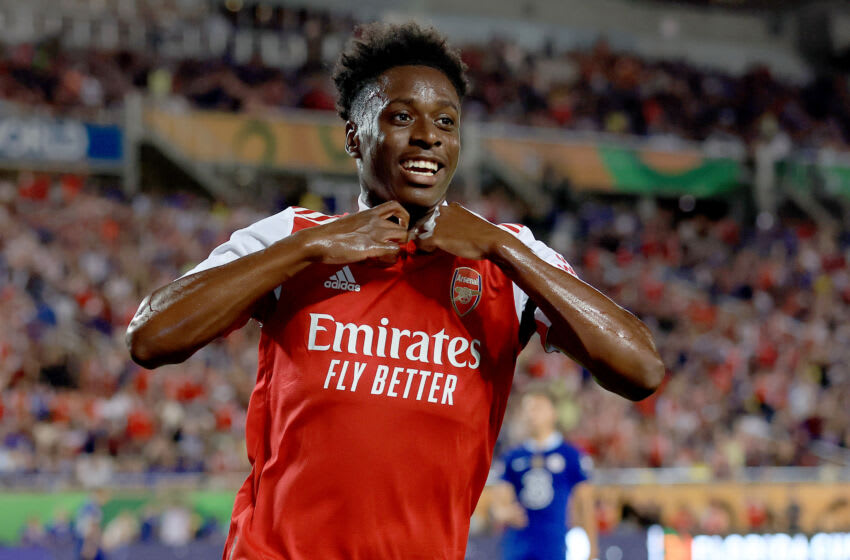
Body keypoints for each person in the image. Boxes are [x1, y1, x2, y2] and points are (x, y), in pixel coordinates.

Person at [126, 22, 664, 560]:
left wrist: (504, 250)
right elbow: (150, 337)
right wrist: (312, 249)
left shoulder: (508, 259)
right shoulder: (291, 237)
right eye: (401, 116)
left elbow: (642, 370)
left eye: (446, 122)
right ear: (354, 137)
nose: (428, 134)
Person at [491, 390, 590, 560]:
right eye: (528, 409)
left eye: (537, 408)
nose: (532, 414)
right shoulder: (513, 457)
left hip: (554, 547)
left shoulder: (570, 455)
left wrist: (591, 547)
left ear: (553, 412)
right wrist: (504, 513)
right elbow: (497, 505)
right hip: (517, 548)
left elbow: (585, 504)